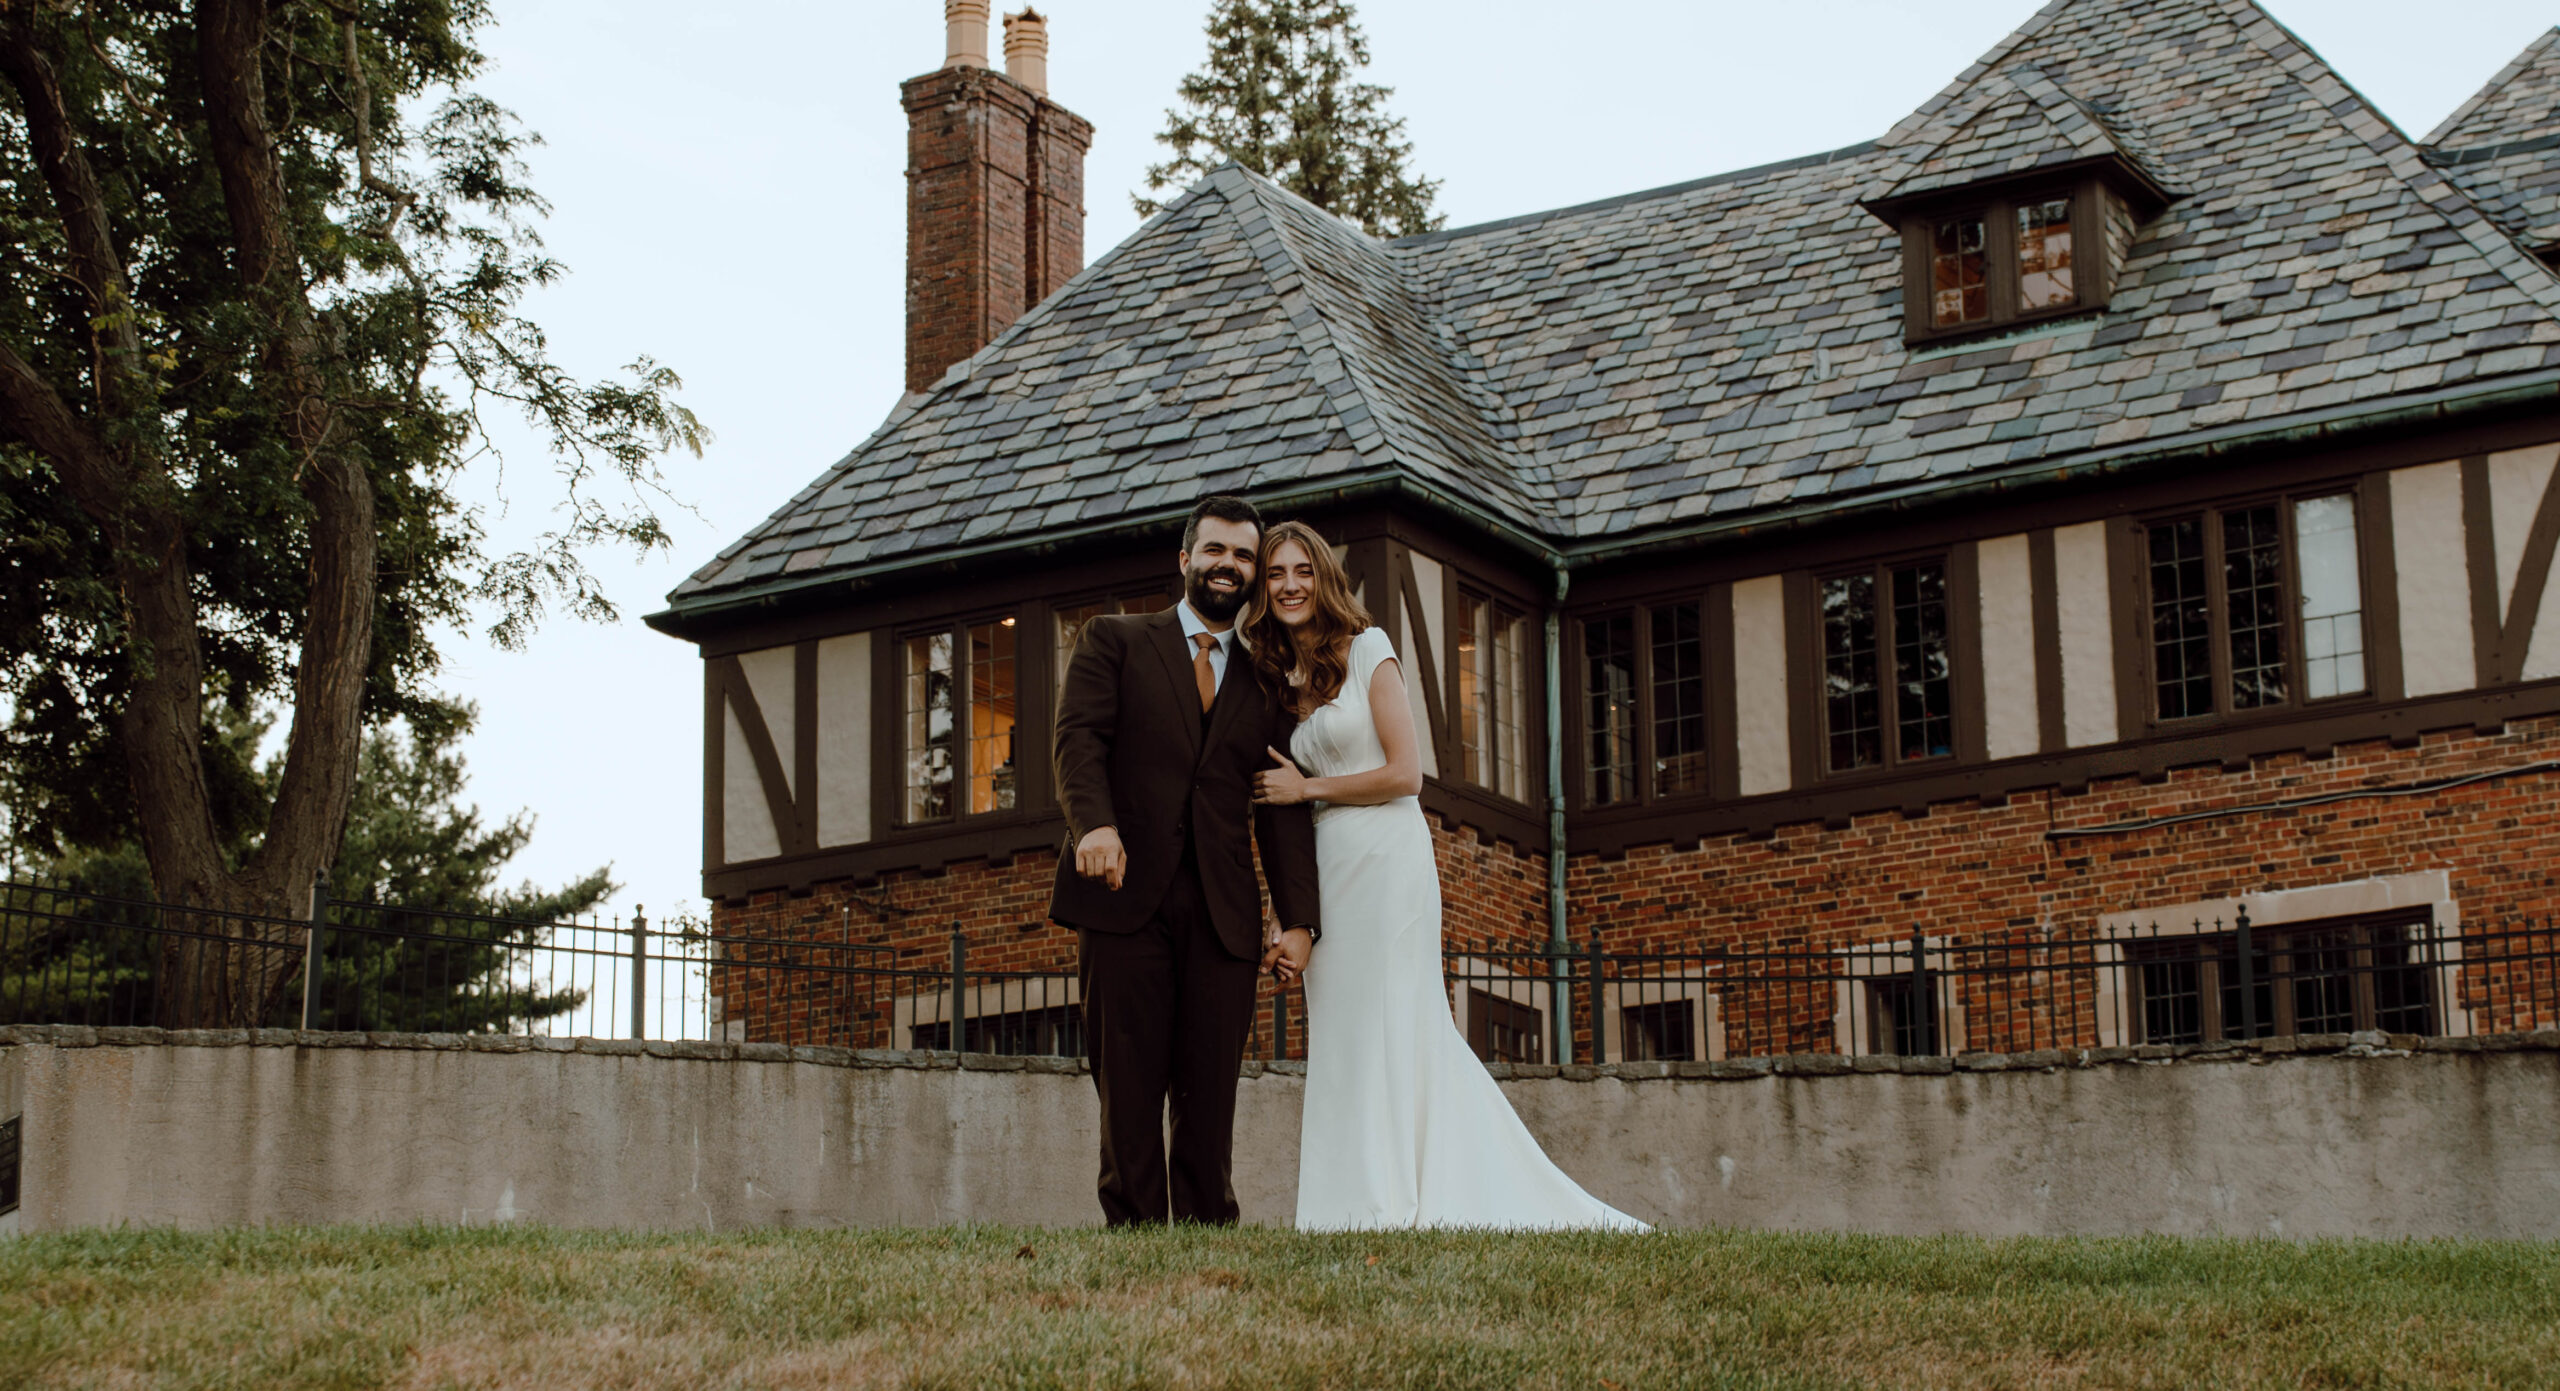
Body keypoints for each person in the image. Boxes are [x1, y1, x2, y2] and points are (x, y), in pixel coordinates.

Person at [1244, 520, 1648, 1232]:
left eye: (1302, 569)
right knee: (1343, 1030)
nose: (1289, 585)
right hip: (1327, 867)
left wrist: (1308, 788)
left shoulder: (1369, 648)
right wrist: (1288, 908)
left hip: (1386, 857)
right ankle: (1347, 1206)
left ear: (1325, 577)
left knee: (1398, 1020)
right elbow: (1280, 814)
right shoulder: (1285, 684)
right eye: (1275, 574)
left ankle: (1413, 1194)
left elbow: (1407, 774)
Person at [1049, 494, 1322, 1225]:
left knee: (1210, 1090)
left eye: (1244, 556)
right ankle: (1135, 1231)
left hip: (1223, 912)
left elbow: (1279, 803)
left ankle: (1208, 1233)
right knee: (1128, 1084)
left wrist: (1299, 919)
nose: (1229, 566)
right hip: (1123, 896)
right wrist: (1094, 827)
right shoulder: (1114, 640)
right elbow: (1078, 742)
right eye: (1215, 550)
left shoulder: (1268, 680)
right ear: (1185, 560)